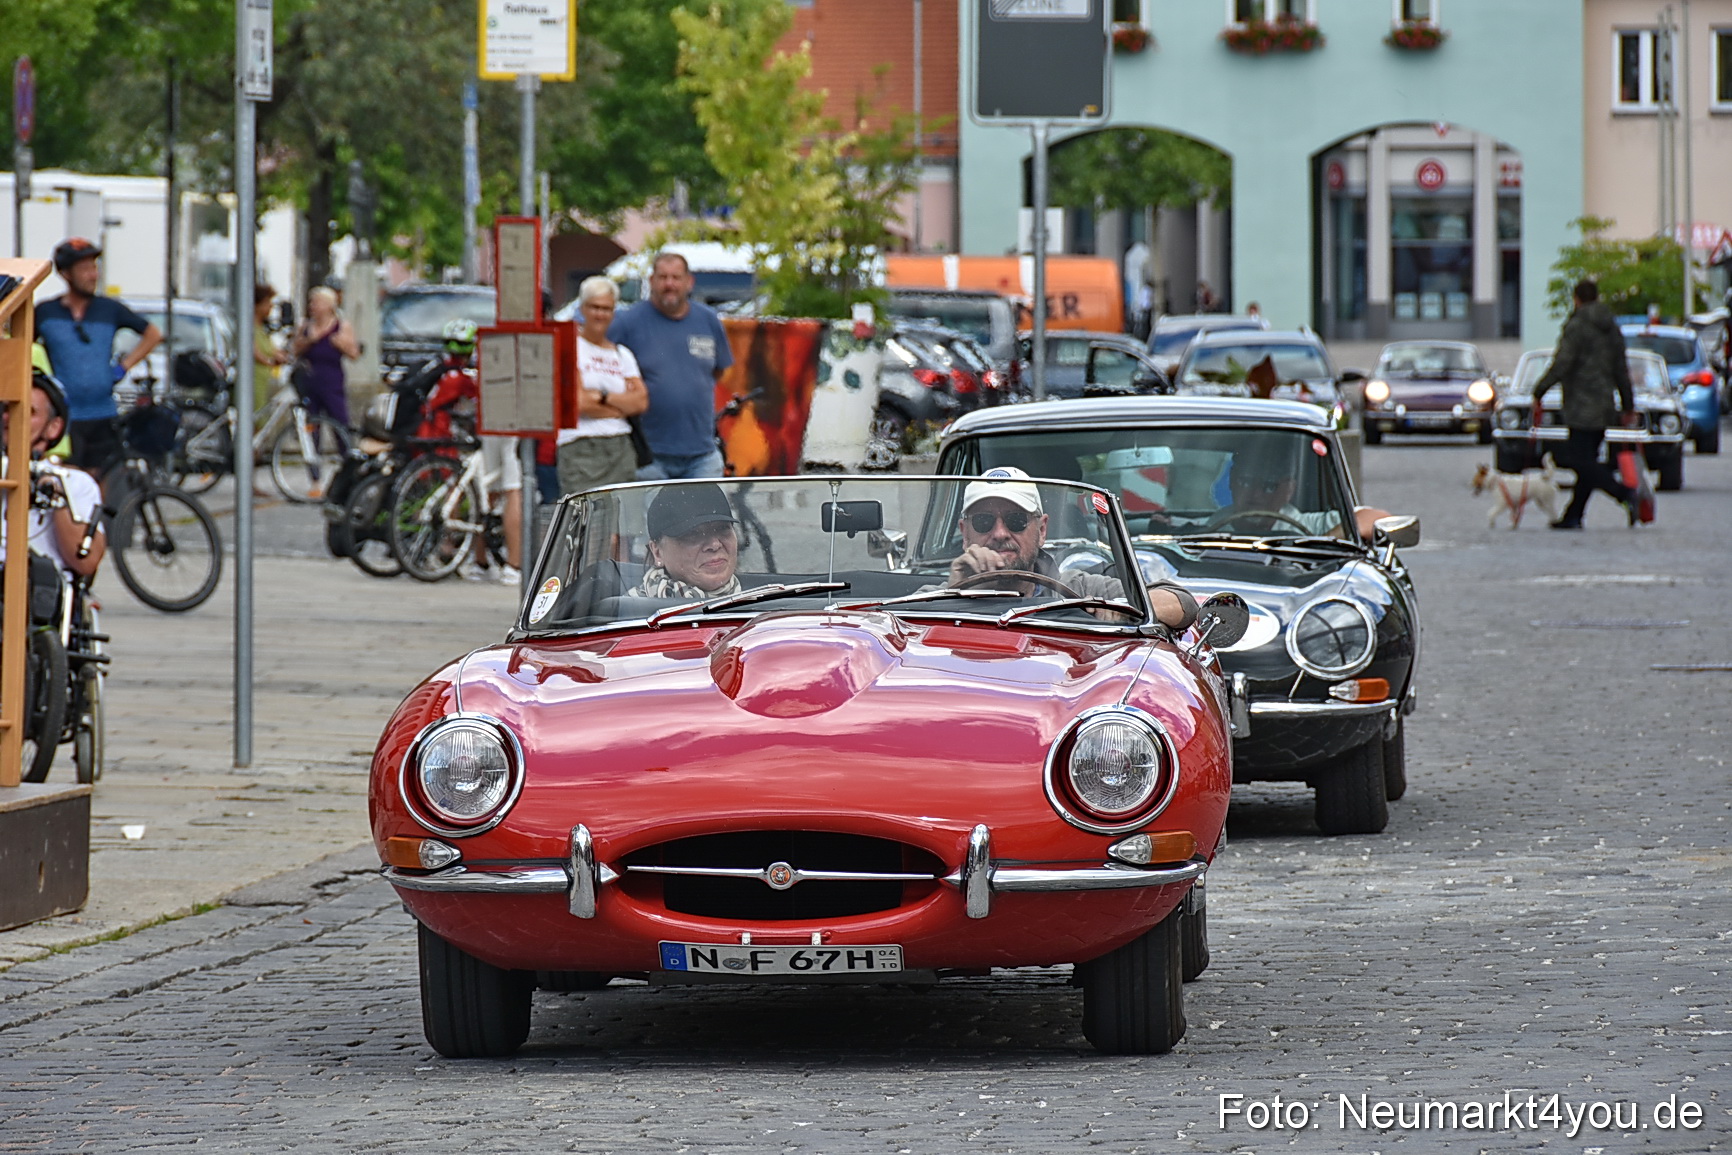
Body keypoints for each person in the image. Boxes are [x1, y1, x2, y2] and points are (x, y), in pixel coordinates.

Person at [946, 468, 1196, 630]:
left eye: (1016, 520)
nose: (999, 534)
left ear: (1042, 530)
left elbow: (1183, 604)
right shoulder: (927, 599)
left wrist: (1123, 609)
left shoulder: (1079, 589)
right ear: (965, 534)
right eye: (983, 522)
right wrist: (953, 596)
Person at [34, 238, 163, 477]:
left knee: (101, 482)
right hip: (64, 417)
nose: (93, 275)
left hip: (103, 413)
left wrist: (122, 368)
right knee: (66, 482)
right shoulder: (45, 312)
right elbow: (25, 349)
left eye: (94, 267)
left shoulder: (109, 309)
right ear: (65, 274)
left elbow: (153, 334)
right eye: (85, 269)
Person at [608, 252, 733, 480]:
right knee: (651, 517)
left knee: (705, 516)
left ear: (689, 282)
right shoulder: (627, 323)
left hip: (702, 455)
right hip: (648, 457)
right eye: (663, 277)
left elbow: (719, 371)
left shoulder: (708, 320)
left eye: (676, 278)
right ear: (651, 281)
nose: (669, 284)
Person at [1531, 279, 1638, 529]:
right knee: (1587, 461)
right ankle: (1573, 516)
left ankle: (1623, 493)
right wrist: (1628, 404)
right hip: (1604, 404)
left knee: (1577, 460)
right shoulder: (1611, 328)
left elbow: (1563, 362)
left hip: (1580, 405)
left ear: (1576, 299)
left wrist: (1540, 390)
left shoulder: (1577, 326)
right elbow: (1621, 369)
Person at [0, 372, 106, 581]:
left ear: (53, 427)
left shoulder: (76, 483)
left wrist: (57, 498)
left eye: (27, 411)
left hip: (43, 596)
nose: (8, 417)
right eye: (6, 408)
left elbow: (85, 561)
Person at [558, 276, 649, 496]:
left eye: (607, 309)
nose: (600, 314)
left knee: (623, 526)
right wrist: (620, 408)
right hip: (580, 447)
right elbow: (579, 402)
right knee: (586, 524)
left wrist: (602, 396)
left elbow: (641, 402)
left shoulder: (622, 354)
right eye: (594, 307)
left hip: (620, 446)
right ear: (582, 308)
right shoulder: (571, 347)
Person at [1201, 451, 1391, 541]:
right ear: (1232, 482)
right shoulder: (1206, 529)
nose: (1256, 495)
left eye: (1269, 486)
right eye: (1246, 482)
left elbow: (1378, 518)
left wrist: (1321, 544)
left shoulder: (1312, 526)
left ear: (1288, 490)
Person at [629, 483, 741, 598]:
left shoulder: (758, 597)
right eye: (693, 534)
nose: (714, 545)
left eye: (722, 529)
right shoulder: (628, 612)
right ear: (657, 552)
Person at [289, 285, 360, 427]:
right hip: (309, 377)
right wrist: (309, 340)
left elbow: (354, 353)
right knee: (311, 421)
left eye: (316, 302)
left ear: (329, 305)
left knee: (338, 418)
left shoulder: (341, 326)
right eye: (311, 303)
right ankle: (312, 448)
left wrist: (341, 344)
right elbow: (294, 350)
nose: (312, 306)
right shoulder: (306, 325)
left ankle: (345, 447)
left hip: (331, 378)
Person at [252, 283, 287, 411]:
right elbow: (253, 351)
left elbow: (271, 350)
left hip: (266, 380)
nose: (271, 306)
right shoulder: (250, 327)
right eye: (267, 302)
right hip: (255, 381)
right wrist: (270, 362)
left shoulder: (262, 328)